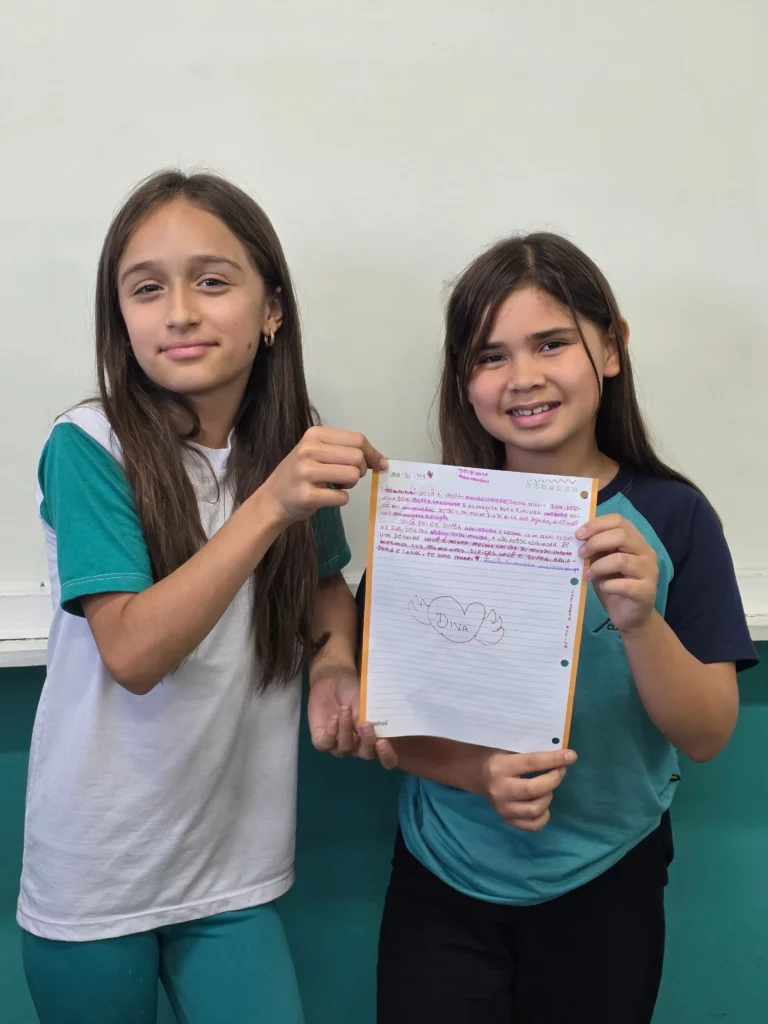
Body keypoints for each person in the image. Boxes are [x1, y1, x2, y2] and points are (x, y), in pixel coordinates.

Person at [361, 232, 757, 1024]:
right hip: (442, 877)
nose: (524, 377)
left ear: (610, 349)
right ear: (464, 380)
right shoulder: (432, 518)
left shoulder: (673, 516)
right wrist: (480, 773)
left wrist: (640, 622)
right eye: (490, 355)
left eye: (551, 343)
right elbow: (385, 725)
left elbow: (708, 732)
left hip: (609, 880)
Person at [19, 170, 385, 1024]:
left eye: (212, 281)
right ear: (121, 318)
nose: (178, 312)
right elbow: (133, 653)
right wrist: (270, 505)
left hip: (231, 869)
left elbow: (322, 586)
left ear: (272, 309)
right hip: (98, 875)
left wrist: (335, 662)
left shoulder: (288, 441)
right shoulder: (89, 444)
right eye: (146, 289)